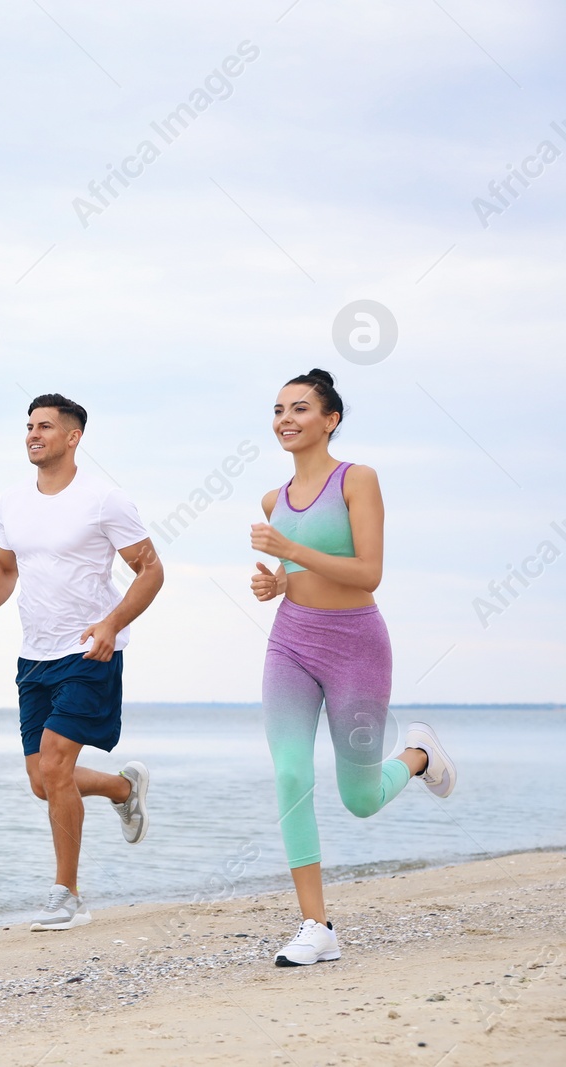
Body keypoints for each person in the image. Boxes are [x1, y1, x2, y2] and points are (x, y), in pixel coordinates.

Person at [250, 368, 456, 967]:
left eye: (301, 409)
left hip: (356, 646)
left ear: (330, 420)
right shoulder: (273, 500)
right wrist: (276, 584)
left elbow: (368, 572)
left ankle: (416, 753)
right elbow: (299, 577)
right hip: (290, 643)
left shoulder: (357, 480)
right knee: (290, 775)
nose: (286, 419)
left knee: (360, 798)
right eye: (279, 409)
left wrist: (289, 553)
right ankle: (316, 925)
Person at [0, 394, 165, 931]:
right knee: (43, 780)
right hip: (35, 656)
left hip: (89, 649)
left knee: (55, 767)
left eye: (45, 426)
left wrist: (111, 625)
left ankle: (67, 896)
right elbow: (6, 568)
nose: (33, 434)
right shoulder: (11, 502)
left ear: (73, 437)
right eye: (29, 426)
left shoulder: (105, 500)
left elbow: (150, 571)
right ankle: (123, 789)